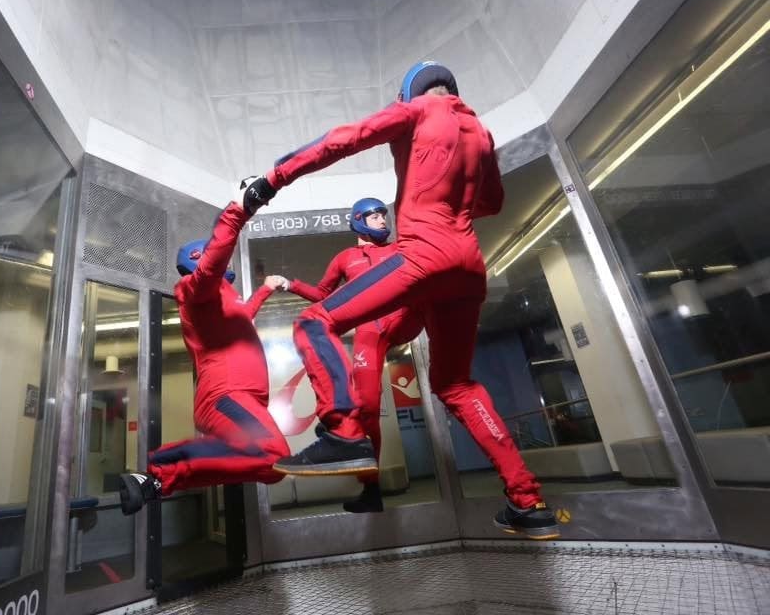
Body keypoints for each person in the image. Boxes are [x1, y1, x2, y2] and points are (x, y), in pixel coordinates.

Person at [240, 61, 559, 539]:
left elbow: (340, 140)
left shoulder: (416, 111)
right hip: (468, 263)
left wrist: (272, 180)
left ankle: (345, 434)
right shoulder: (480, 131)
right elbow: (492, 202)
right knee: (457, 386)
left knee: (312, 324)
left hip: (423, 256)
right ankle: (527, 500)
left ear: (411, 92)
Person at [118, 200, 291, 514]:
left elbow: (242, 316)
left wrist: (264, 290)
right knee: (274, 454)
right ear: (202, 260)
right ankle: (161, 466)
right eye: (219, 263)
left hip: (242, 397)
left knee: (271, 468)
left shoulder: (224, 299)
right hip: (226, 395)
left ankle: (156, 478)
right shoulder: (195, 289)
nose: (226, 268)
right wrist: (239, 212)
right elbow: (210, 271)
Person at [267, 197, 423, 513]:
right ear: (357, 221)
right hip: (369, 332)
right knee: (365, 410)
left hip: (403, 320)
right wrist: (289, 283)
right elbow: (324, 296)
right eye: (374, 216)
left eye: (383, 215)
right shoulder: (345, 258)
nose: (382, 220)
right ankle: (371, 488)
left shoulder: (398, 250)